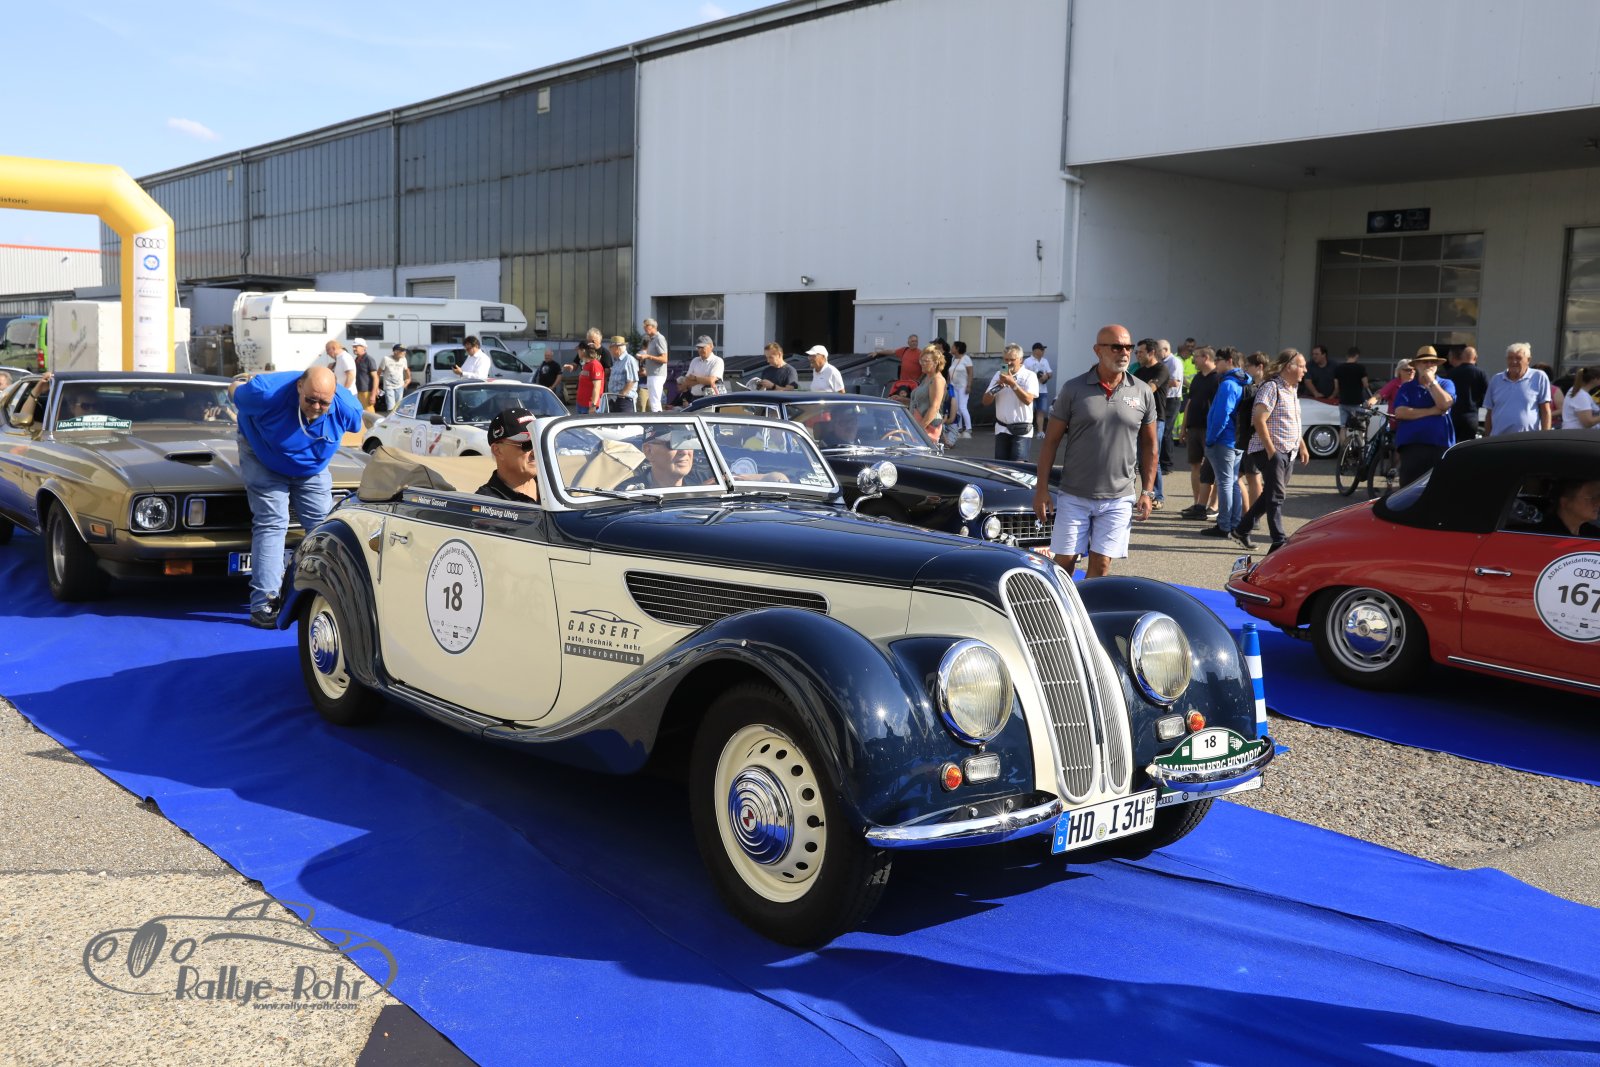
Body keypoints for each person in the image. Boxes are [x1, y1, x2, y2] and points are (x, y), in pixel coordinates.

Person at [230, 366, 363, 628]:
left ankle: (326, 591)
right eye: (310, 399)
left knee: (323, 528)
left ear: (334, 397)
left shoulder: (348, 409)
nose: (316, 407)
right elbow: (234, 391)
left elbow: (359, 427)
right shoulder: (265, 393)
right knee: (272, 522)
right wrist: (239, 385)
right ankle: (264, 603)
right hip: (263, 456)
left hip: (312, 466)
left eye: (323, 402)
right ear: (299, 387)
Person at [1030, 324, 1157, 578]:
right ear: (1098, 350)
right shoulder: (1073, 389)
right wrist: (1041, 489)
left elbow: (1150, 445)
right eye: (1117, 347)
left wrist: (1147, 491)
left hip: (1119, 497)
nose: (1124, 352)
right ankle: (1060, 604)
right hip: (1074, 494)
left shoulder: (1142, 391)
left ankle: (1086, 605)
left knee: (1101, 566)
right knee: (1064, 564)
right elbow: (1051, 442)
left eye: (1128, 347)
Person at [1232, 349, 1309, 553]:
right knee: (1276, 496)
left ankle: (1241, 530)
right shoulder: (1271, 387)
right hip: (1270, 450)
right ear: (1288, 366)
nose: (1305, 370)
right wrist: (1271, 451)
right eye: (1302, 366)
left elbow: (1293, 421)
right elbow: (1258, 419)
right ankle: (1278, 542)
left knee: (1270, 494)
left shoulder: (1292, 389)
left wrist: (1301, 445)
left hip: (1289, 450)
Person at [1391, 347, 1455, 486]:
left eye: (1433, 362)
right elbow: (1400, 412)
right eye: (1425, 362)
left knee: (1437, 487)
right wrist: (1432, 411)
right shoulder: (1407, 387)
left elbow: (1444, 404)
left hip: (1440, 444)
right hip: (1412, 446)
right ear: (1417, 365)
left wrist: (1432, 382)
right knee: (1409, 488)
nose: (1429, 365)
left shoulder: (1445, 384)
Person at [1201, 348, 1247, 539]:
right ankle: (1234, 523)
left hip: (1223, 440)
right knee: (1232, 482)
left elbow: (1221, 415)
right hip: (1235, 440)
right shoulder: (1242, 381)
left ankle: (1224, 525)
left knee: (1225, 484)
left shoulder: (1228, 384)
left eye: (1218, 360)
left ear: (1229, 361)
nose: (1216, 363)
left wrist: (1210, 439)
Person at [1179, 346, 1218, 520]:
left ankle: (1213, 506)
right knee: (1195, 465)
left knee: (1214, 468)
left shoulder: (1218, 378)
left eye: (1196, 357)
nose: (1193, 360)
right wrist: (1183, 427)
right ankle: (1198, 504)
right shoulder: (1197, 378)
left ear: (1206, 357)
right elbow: (1190, 402)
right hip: (1194, 428)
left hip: (1210, 429)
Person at [983, 342, 1039, 461]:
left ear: (1020, 360)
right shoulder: (998, 375)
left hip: (1021, 430)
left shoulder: (1030, 376)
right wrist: (997, 387)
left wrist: (1013, 384)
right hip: (1001, 429)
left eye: (1012, 360)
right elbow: (985, 401)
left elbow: (1028, 400)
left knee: (1018, 467)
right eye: (1006, 359)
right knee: (1000, 467)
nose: (1008, 363)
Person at [1133, 340, 1171, 508]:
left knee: (1153, 457)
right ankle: (1146, 494)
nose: (1137, 355)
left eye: (1140, 352)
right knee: (1142, 460)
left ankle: (1158, 497)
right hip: (1139, 419)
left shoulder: (1161, 369)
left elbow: (1149, 389)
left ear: (1151, 353)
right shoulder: (1139, 371)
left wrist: (1132, 396)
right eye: (1137, 352)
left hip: (1156, 419)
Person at [1483, 342, 1552, 436]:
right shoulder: (1496, 380)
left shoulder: (1539, 377)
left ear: (1528, 360)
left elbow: (1545, 411)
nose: (1514, 362)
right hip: (1499, 439)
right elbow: (1489, 412)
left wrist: (1545, 437)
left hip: (1528, 439)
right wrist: (1487, 439)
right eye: (1510, 358)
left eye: (1518, 358)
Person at [477, 406, 540, 502]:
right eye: (527, 444)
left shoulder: (554, 487)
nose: (535, 452)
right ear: (498, 451)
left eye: (538, 443)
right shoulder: (486, 503)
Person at [623, 424, 704, 489]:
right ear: (649, 451)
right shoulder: (626, 495)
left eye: (688, 442)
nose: (684, 452)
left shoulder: (703, 485)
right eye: (674, 444)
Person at [1443, 345, 1488, 441]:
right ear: (1475, 358)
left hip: (1454, 417)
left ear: (1462, 357)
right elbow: (1486, 400)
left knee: (1453, 446)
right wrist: (1482, 423)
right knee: (1469, 447)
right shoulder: (1480, 373)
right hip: (1473, 418)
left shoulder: (1451, 373)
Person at [1331, 346, 1370, 449]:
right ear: (1357, 356)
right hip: (1357, 402)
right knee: (1360, 427)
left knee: (1343, 427)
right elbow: (1365, 384)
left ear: (1347, 356)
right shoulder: (1360, 368)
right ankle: (1361, 448)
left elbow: (1336, 387)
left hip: (1343, 402)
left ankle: (1343, 451)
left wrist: (1332, 396)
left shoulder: (1338, 368)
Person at [1535, 478, 1600, 537]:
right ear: (1565, 502)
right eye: (1591, 498)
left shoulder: (1590, 532)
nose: (1598, 503)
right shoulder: (1543, 534)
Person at [910, 345, 947, 443]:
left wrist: (919, 430)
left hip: (927, 428)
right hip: (918, 424)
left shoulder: (937, 380)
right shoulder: (927, 378)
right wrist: (902, 400)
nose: (922, 364)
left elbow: (935, 407)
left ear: (936, 363)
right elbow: (921, 401)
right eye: (921, 361)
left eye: (926, 361)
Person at [679, 336, 724, 403]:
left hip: (712, 398)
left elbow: (711, 380)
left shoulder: (717, 361)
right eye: (698, 348)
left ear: (711, 346)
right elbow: (687, 381)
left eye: (703, 347)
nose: (700, 350)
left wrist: (694, 378)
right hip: (695, 398)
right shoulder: (695, 360)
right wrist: (703, 380)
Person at [639, 318, 670, 411]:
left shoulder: (659, 338)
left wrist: (648, 356)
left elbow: (664, 359)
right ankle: (657, 417)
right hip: (652, 374)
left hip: (657, 374)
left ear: (653, 327)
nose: (644, 328)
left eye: (646, 326)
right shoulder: (652, 339)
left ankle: (658, 418)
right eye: (644, 326)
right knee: (653, 401)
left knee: (655, 401)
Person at [947, 341, 973, 439]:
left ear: (957, 348)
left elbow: (970, 373)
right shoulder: (953, 359)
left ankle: (969, 428)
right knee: (956, 408)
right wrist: (948, 383)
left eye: (953, 347)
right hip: (953, 386)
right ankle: (959, 427)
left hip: (963, 386)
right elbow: (950, 372)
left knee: (962, 407)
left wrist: (969, 386)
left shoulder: (966, 359)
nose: (951, 348)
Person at [1024, 342, 1053, 434]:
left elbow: (1050, 373)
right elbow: (1023, 375)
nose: (1044, 351)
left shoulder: (1045, 361)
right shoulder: (1027, 361)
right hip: (1030, 390)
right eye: (1042, 349)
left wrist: (1046, 376)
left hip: (1042, 390)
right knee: (1029, 411)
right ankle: (1027, 431)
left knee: (1041, 411)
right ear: (1036, 350)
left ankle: (1040, 432)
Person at [605, 336, 639, 413]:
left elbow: (632, 380)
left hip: (624, 401)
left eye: (611, 347)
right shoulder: (617, 361)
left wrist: (622, 394)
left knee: (624, 420)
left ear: (617, 348)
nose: (610, 350)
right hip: (614, 400)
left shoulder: (629, 360)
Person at [1562, 366, 1600, 430]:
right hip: (1578, 434)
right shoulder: (1581, 395)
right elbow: (1587, 422)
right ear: (1594, 379)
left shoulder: (1576, 390)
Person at [575, 342, 606, 413]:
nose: (578, 352)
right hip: (581, 404)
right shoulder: (586, 365)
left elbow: (597, 387)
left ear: (583, 351)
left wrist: (593, 405)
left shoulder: (595, 365)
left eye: (578, 350)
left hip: (589, 406)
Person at [379, 344, 411, 413]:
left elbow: (406, 369)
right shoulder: (386, 359)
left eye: (404, 351)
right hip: (389, 386)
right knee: (391, 408)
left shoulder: (404, 359)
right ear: (395, 351)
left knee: (398, 407)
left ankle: (396, 419)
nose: (404, 352)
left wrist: (409, 378)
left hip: (400, 386)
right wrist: (376, 386)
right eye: (402, 351)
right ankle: (390, 419)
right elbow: (378, 372)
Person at [350, 339, 380, 411]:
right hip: (358, 391)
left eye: (356, 347)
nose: (354, 349)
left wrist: (373, 394)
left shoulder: (369, 359)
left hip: (366, 392)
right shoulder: (356, 359)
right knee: (361, 413)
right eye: (353, 347)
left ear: (364, 347)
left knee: (369, 414)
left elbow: (375, 377)